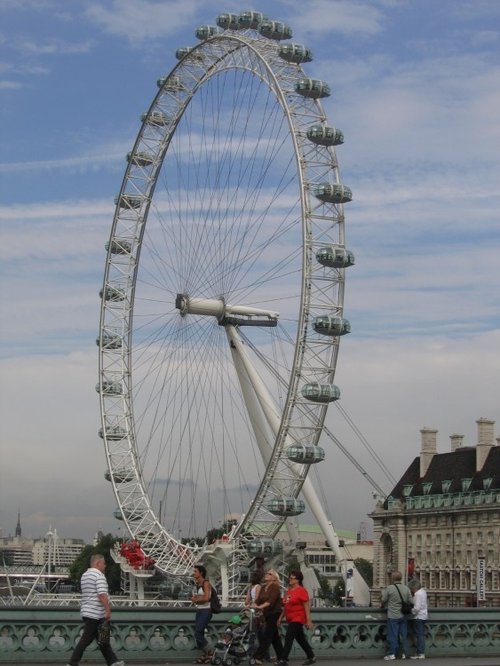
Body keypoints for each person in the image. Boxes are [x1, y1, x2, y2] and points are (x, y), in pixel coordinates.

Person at [67, 553, 124, 666]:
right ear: (98, 563)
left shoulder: (85, 575)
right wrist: (108, 610)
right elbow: (102, 595)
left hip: (87, 611)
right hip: (96, 613)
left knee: (103, 640)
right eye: (103, 563)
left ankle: (113, 662)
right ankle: (72, 663)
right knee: (86, 639)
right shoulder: (99, 576)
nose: (105, 566)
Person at [277, 570, 315, 666]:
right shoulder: (289, 591)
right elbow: (286, 606)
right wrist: (280, 618)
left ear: (297, 580)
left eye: (292, 578)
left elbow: (306, 606)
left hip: (298, 618)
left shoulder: (302, 590)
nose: (289, 579)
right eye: (289, 577)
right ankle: (311, 656)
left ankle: (283, 659)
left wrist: (308, 620)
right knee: (300, 638)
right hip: (290, 618)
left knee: (289, 637)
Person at [253, 569, 284, 664]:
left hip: (274, 613)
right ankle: (282, 657)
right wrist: (252, 605)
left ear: (274, 578)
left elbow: (271, 601)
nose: (266, 574)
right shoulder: (263, 587)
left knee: (267, 635)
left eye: (269, 574)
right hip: (267, 614)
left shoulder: (275, 587)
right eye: (266, 573)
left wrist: (259, 607)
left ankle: (258, 656)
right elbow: (258, 600)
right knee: (275, 638)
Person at [381, 570, 413, 660]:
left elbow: (383, 599)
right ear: (401, 578)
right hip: (403, 615)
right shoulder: (406, 588)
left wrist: (382, 605)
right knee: (404, 635)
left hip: (393, 615)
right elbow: (411, 601)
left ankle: (392, 654)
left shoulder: (389, 588)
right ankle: (404, 653)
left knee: (393, 636)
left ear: (392, 578)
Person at [191, 564, 213, 664]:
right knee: (198, 633)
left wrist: (196, 600)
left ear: (201, 573)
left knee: (198, 633)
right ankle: (205, 655)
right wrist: (196, 599)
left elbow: (206, 598)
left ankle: (210, 652)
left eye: (195, 571)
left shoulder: (206, 583)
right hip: (199, 611)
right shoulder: (197, 585)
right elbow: (200, 598)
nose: (194, 573)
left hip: (206, 611)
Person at [409, 579, 428, 660]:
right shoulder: (423, 592)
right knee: (421, 635)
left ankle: (420, 653)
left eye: (411, 589)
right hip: (423, 616)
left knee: (419, 635)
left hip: (418, 617)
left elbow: (416, 608)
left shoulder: (418, 594)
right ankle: (421, 652)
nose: (411, 591)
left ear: (414, 588)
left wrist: (411, 611)